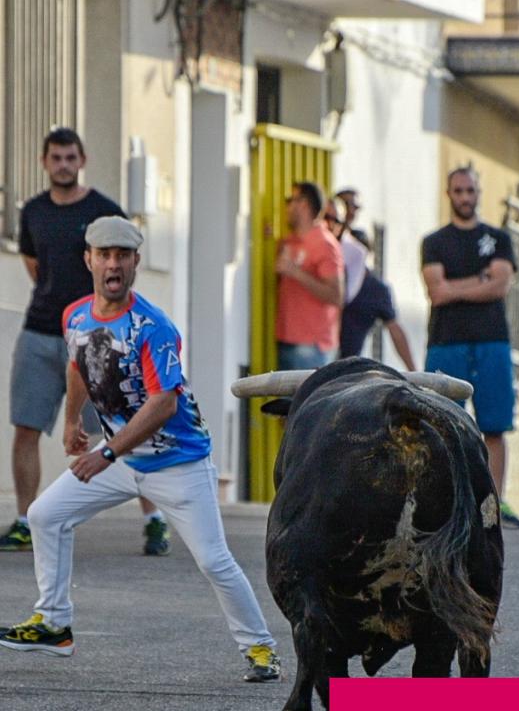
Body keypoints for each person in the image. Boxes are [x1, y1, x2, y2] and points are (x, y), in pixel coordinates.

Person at [0, 217, 281, 681]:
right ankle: (54, 622)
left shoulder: (152, 327)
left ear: (135, 263)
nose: (113, 264)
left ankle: (260, 649)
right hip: (124, 458)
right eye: (104, 255)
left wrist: (105, 453)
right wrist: (72, 421)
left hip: (179, 464)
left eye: (122, 256)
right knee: (45, 515)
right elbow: (78, 365)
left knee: (213, 560)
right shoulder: (75, 315)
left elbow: (163, 403)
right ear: (88, 260)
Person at [0, 127, 170, 556]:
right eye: (55, 158)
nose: (63, 165)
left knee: (125, 426)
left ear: (82, 160)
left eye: (70, 157)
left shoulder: (103, 212)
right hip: (41, 331)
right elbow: (34, 265)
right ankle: (25, 521)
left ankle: (153, 519)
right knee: (26, 426)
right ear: (44, 162)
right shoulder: (34, 211)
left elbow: (119, 269)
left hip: (100, 338)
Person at [421, 166, 519, 528]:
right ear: (449, 194)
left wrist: (456, 288)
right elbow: (436, 291)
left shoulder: (498, 239)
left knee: (494, 426)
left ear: (479, 193)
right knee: (442, 425)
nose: (465, 197)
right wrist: (479, 280)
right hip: (446, 343)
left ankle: (493, 504)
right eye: (458, 191)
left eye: (470, 190)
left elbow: (501, 285)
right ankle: (446, 502)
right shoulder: (434, 242)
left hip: (492, 342)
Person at [275, 181, 344, 370]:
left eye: (291, 200)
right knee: (288, 401)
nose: (287, 207)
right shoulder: (292, 241)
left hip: (312, 346)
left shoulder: (324, 244)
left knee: (307, 400)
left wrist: (295, 272)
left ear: (304, 204)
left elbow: (336, 295)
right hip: (287, 339)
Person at [323, 197, 368, 304]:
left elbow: (344, 296)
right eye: (326, 218)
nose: (330, 225)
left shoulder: (356, 252)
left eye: (336, 221)